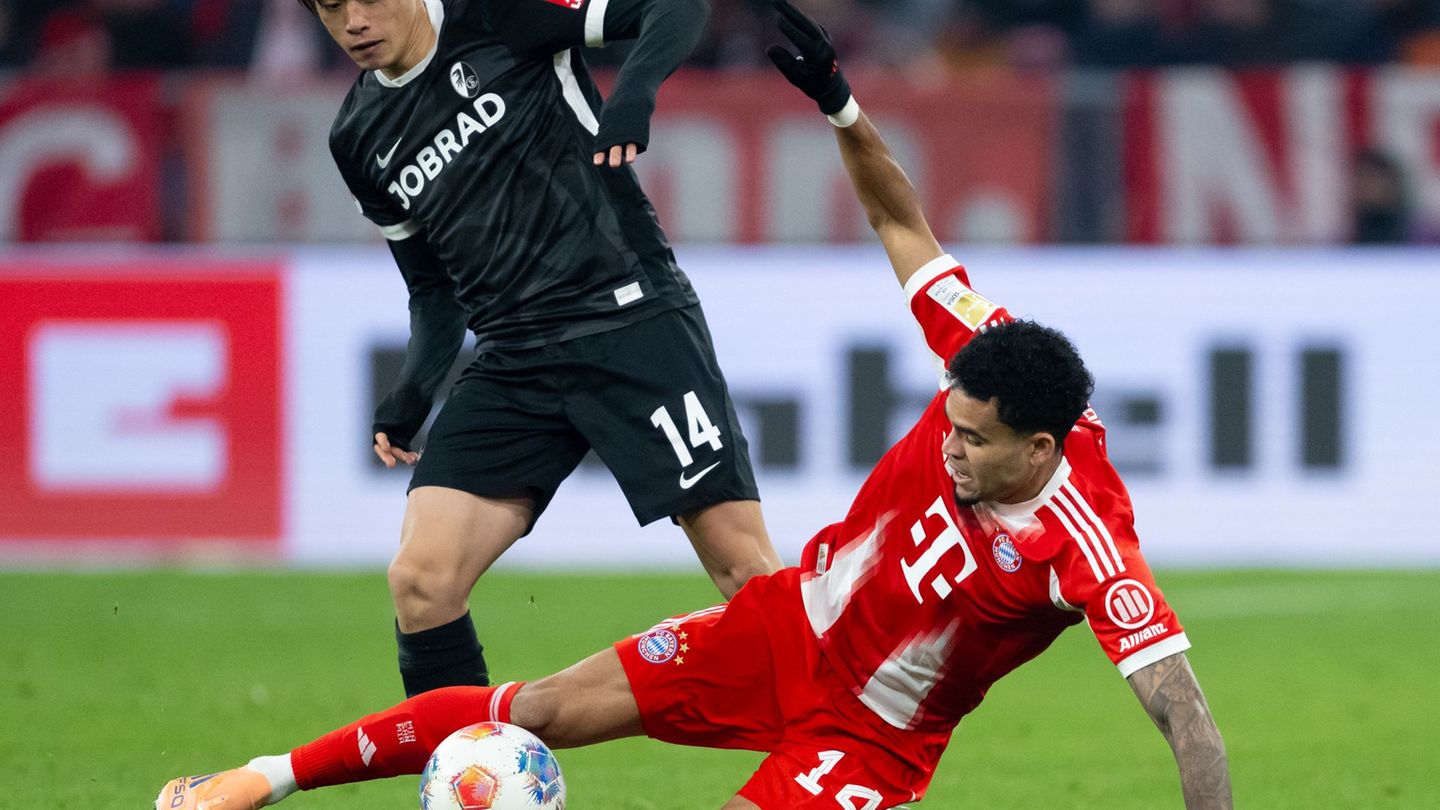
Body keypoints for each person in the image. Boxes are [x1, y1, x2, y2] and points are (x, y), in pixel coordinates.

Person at [156, 3, 1231, 807]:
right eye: (948, 421)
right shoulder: (985, 351)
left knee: (726, 557)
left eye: (975, 442)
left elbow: (1182, 709)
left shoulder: (1089, 545)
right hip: (781, 631)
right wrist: (841, 103)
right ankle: (261, 778)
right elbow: (905, 229)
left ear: (1040, 448)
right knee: (532, 699)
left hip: (869, 739)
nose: (949, 449)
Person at [296, 0, 784, 699]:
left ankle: (841, 735)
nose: (353, 22)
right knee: (421, 582)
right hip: (513, 358)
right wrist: (411, 394)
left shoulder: (496, 15)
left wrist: (633, 95)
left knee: (745, 569)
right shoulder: (357, 136)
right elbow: (433, 289)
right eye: (330, 7)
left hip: (629, 320)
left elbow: (674, 7)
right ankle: (465, 758)